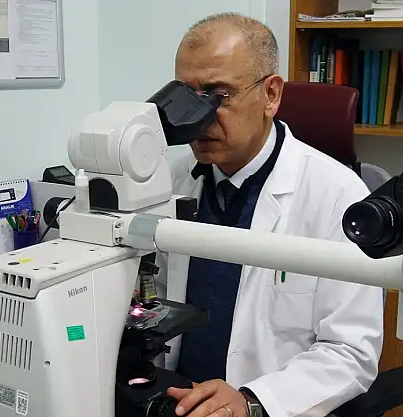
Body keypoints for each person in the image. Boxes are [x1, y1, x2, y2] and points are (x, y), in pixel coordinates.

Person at [153, 12, 385, 417]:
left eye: (218, 95)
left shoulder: (338, 196)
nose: (196, 117)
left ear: (271, 95)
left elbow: (350, 351)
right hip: (176, 400)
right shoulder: (171, 181)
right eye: (187, 96)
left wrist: (252, 401)